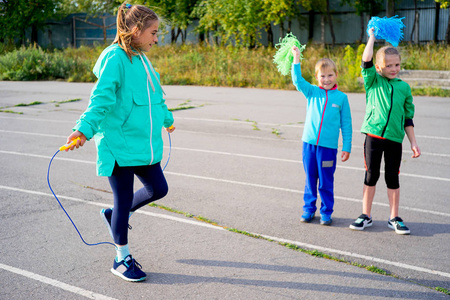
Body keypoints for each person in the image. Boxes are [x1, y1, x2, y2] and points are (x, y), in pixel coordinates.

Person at [65, 2, 175, 282]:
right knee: (124, 198)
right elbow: (100, 100)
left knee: (158, 188)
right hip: (117, 144)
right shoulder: (115, 58)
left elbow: (156, 95)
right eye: (153, 32)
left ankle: (114, 215)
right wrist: (83, 129)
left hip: (141, 145)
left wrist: (166, 119)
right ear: (136, 30)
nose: (156, 37)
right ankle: (121, 259)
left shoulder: (142, 59)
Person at [349, 28, 420, 235]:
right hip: (373, 136)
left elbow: (408, 118)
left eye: (397, 64)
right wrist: (371, 37)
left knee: (393, 177)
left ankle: (394, 218)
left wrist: (413, 142)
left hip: (394, 140)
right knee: (371, 175)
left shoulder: (404, 88)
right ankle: (365, 215)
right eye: (388, 65)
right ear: (379, 67)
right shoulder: (372, 81)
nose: (393, 68)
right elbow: (366, 60)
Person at [291, 46, 352, 226]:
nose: (326, 79)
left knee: (325, 181)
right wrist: (296, 58)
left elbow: (346, 125)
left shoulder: (341, 98)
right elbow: (297, 80)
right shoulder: (312, 92)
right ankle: (308, 209)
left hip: (328, 148)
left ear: (336, 75)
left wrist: (346, 147)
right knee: (310, 178)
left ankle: (326, 212)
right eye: (322, 76)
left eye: (330, 75)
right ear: (317, 77)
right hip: (309, 145)